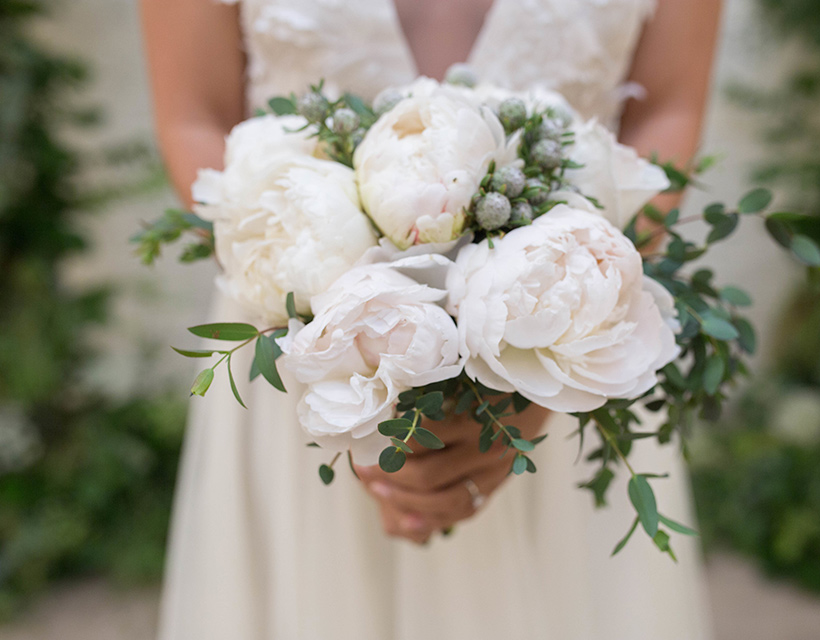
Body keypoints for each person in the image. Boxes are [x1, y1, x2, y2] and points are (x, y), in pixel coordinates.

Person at [141, 1, 722, 638]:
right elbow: (196, 116)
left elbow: (668, 109)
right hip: (305, 359)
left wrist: (540, 363)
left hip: (565, 332)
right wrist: (342, 341)